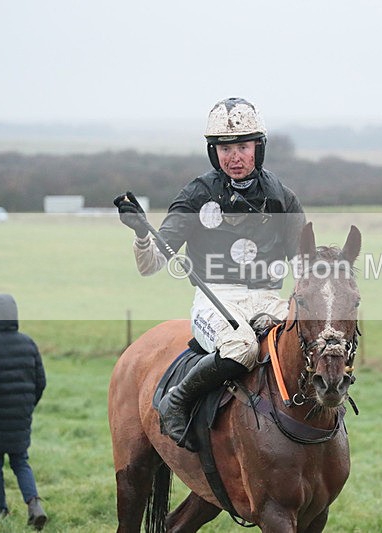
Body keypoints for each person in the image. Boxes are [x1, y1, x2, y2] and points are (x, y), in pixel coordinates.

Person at [114, 97, 306, 451]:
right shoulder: (196, 195)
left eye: (243, 147)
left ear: (258, 148)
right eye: (225, 148)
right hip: (216, 300)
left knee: (307, 340)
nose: (234, 157)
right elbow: (150, 264)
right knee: (242, 347)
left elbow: (303, 266)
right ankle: (177, 401)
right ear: (213, 152)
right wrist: (142, 233)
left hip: (267, 299)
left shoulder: (281, 198)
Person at [0, 293, 48, 529]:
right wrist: (26, 406)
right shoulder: (28, 342)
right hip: (20, 415)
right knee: (20, 461)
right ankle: (34, 504)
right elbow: (40, 381)